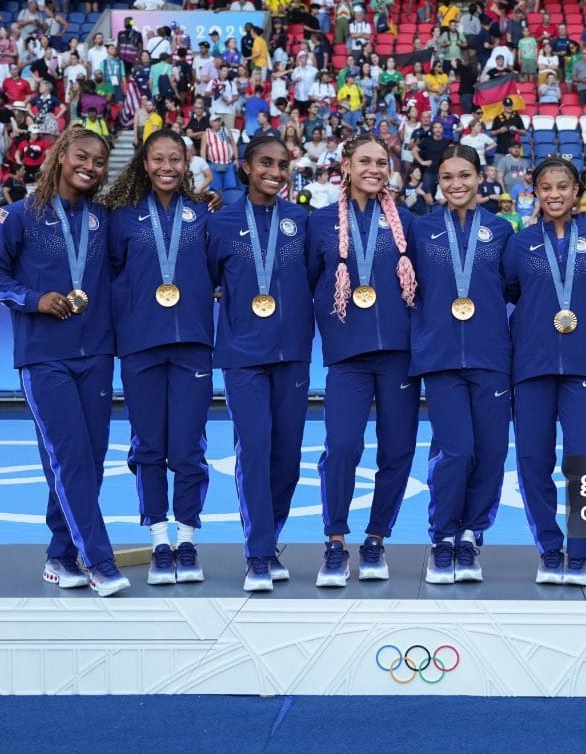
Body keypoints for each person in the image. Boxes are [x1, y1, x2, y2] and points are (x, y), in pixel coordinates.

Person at [0, 127, 128, 596]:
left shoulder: (104, 218)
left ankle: (60, 557)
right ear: (61, 156)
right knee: (69, 458)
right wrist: (34, 299)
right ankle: (100, 562)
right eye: (82, 156)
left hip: (97, 353)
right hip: (44, 356)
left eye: (100, 162)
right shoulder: (19, 214)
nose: (91, 166)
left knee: (90, 461)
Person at [102, 130, 213, 588]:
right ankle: (159, 541)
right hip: (141, 345)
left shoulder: (205, 216)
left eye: (175, 158)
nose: (167, 166)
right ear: (144, 165)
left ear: (186, 164)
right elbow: (108, 272)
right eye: (158, 159)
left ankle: (187, 540)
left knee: (188, 448)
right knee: (148, 447)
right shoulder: (121, 218)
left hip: (192, 345)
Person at [307, 134, 419, 587]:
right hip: (348, 355)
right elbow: (305, 280)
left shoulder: (408, 222)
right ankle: (335, 542)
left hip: (399, 354)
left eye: (382, 162)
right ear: (346, 165)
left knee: (397, 450)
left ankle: (376, 539)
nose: (374, 168)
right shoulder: (318, 222)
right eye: (365, 161)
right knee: (343, 447)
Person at [206, 135, 313, 591]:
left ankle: (270, 541)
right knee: (254, 448)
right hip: (243, 356)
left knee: (286, 457)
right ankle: (258, 553)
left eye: (283, 163)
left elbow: (315, 276)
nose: (275, 170)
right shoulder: (221, 223)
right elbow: (209, 279)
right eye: (266, 162)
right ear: (246, 167)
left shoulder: (302, 221)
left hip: (293, 353)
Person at [503, 156, 586, 586]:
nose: (554, 195)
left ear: (575, 191)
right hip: (531, 363)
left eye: (562, 186)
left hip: (583, 362)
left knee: (583, 461)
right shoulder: (520, 242)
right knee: (533, 461)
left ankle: (581, 551)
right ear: (535, 191)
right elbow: (509, 291)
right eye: (546, 187)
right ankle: (550, 549)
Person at [410, 144, 514, 584]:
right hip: (441, 354)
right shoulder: (420, 230)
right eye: (448, 176)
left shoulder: (503, 229)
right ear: (438, 184)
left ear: (479, 178)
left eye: (464, 175)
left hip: (491, 354)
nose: (456, 184)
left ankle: (471, 536)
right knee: (456, 450)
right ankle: (442, 537)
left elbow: (513, 286)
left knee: (490, 453)